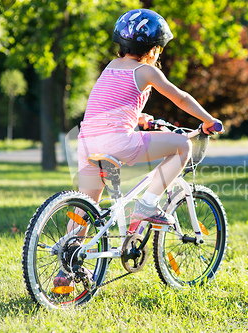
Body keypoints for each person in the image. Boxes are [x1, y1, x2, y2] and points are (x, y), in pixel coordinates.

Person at [77, 8, 222, 225]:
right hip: (116, 143)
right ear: (153, 49)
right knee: (183, 145)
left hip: (86, 143)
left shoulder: (110, 67)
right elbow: (181, 98)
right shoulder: (146, 71)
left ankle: (70, 249)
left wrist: (137, 118)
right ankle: (147, 205)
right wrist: (209, 119)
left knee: (84, 210)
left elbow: (107, 107)